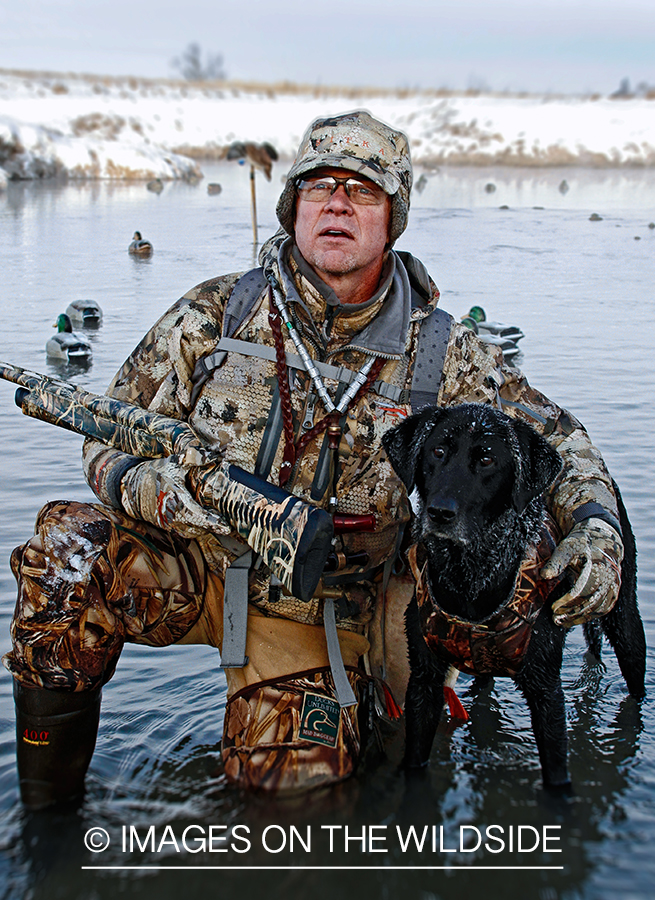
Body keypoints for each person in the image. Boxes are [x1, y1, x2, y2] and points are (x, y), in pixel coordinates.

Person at [4, 110, 624, 808]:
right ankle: (47, 830)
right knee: (66, 553)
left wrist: (597, 531)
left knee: (292, 798)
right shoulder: (216, 313)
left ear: (392, 218)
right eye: (317, 185)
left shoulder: (443, 353)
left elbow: (562, 440)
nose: (336, 201)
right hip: (199, 565)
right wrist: (166, 495)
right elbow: (107, 440)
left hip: (325, 604)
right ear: (292, 207)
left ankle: (371, 715)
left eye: (362, 190)